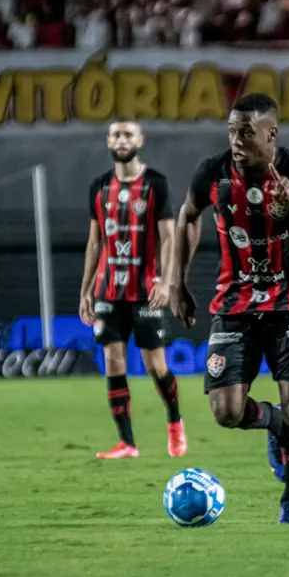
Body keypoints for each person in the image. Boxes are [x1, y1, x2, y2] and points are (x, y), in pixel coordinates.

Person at [169, 93, 289, 525]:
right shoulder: (212, 172)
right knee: (226, 412)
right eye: (231, 131)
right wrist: (177, 280)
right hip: (235, 303)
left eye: (245, 133)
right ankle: (270, 424)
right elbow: (188, 214)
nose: (236, 141)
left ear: (271, 134)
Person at [79, 119, 186, 460]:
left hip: (146, 290)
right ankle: (127, 442)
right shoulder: (99, 186)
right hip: (108, 290)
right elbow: (95, 242)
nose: (121, 140)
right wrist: (86, 291)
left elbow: (169, 238)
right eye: (115, 134)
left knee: (155, 364)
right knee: (113, 359)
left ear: (140, 139)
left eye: (127, 134)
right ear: (108, 140)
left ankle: (174, 420)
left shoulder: (156, 183)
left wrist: (167, 283)